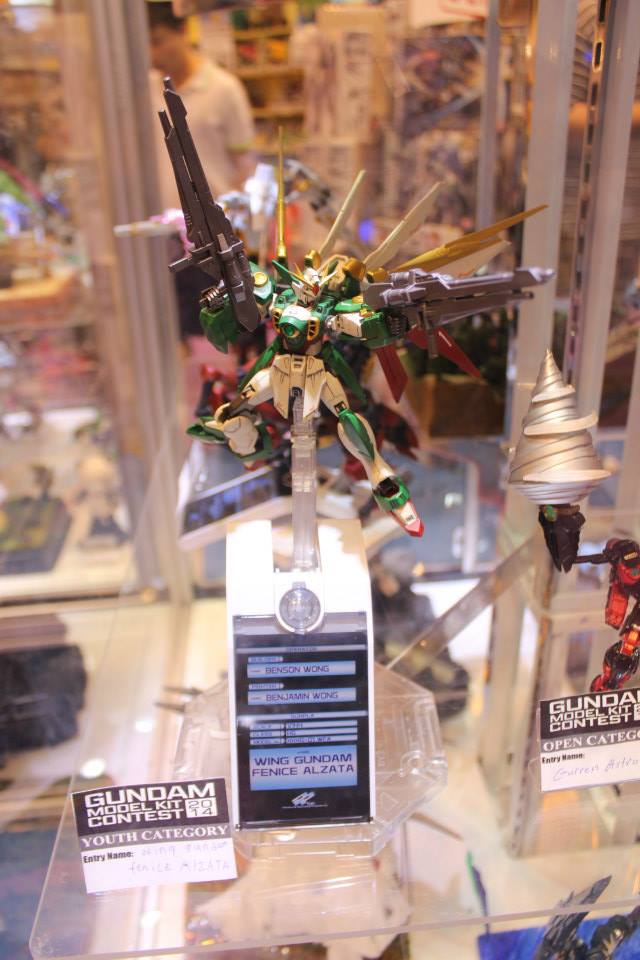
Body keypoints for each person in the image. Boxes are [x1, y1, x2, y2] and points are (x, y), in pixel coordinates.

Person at [147, 1, 255, 210]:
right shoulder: (146, 89)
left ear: (183, 31)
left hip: (215, 221)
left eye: (157, 41)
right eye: (146, 44)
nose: (152, 54)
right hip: (164, 221)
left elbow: (244, 166)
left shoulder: (224, 88)